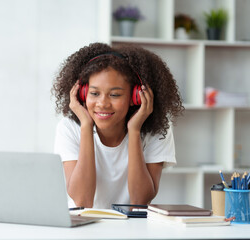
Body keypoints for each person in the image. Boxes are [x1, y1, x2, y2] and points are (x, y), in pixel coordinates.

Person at [51, 42, 183, 209]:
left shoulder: (157, 129)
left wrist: (134, 131)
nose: (102, 103)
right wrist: (86, 126)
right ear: (82, 94)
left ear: (135, 97)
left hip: (132, 227)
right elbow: (82, 202)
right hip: (83, 227)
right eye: (94, 93)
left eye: (114, 94)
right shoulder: (69, 127)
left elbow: (140, 201)